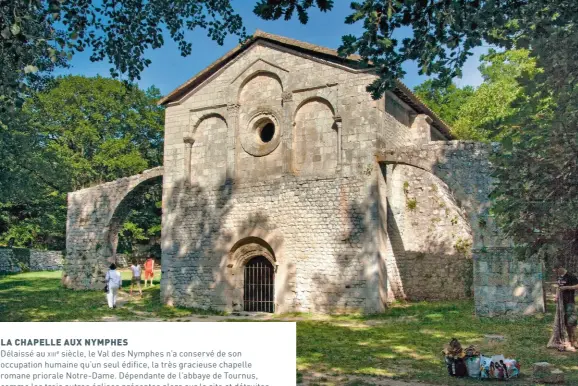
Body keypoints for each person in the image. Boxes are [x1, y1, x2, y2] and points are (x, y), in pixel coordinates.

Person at [554, 263, 578, 348]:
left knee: (572, 322)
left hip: (570, 302)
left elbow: (577, 286)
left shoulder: (571, 276)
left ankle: (575, 341)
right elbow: (558, 287)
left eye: (556, 270)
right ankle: (569, 340)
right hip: (561, 303)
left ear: (561, 268)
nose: (556, 272)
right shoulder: (560, 276)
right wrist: (556, 296)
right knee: (564, 322)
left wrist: (567, 287)